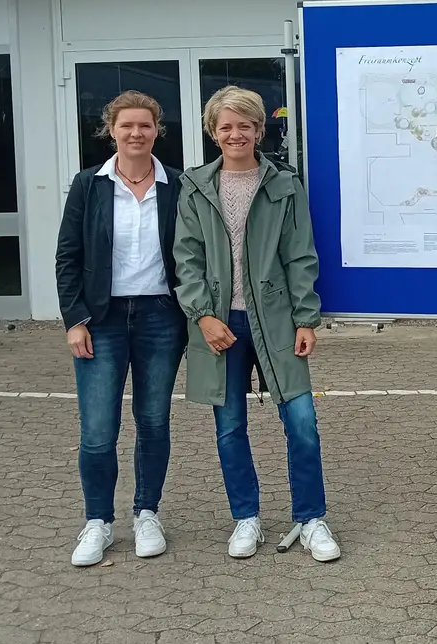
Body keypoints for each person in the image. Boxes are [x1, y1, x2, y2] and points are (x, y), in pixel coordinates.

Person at [173, 86, 340, 563]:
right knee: (229, 427)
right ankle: (246, 518)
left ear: (258, 131)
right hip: (219, 326)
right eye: (225, 126)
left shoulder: (284, 184)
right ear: (212, 132)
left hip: (278, 320)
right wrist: (202, 315)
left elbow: (302, 255)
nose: (234, 133)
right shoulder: (195, 187)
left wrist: (306, 318)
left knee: (302, 422)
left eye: (243, 125)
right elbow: (186, 258)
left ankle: (311, 519)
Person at [55, 91, 187, 567]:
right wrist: (75, 320)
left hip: (160, 318)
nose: (136, 133)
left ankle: (147, 513)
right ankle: (98, 522)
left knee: (153, 422)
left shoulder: (179, 185)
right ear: (111, 129)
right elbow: (68, 256)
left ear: (157, 130)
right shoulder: (88, 184)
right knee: (97, 430)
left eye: (146, 125)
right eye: (127, 125)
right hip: (102, 320)